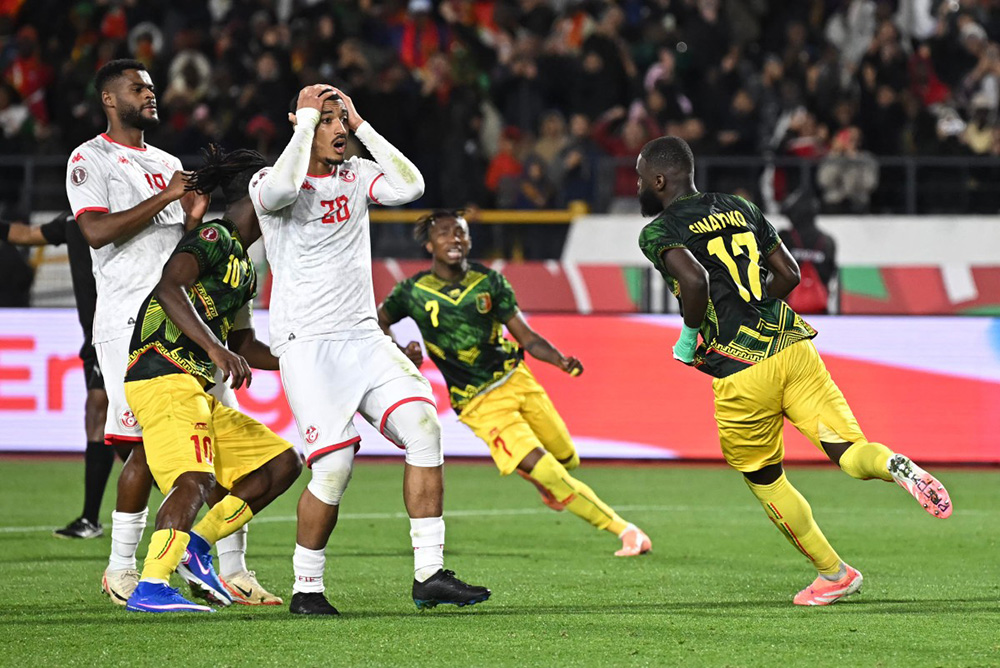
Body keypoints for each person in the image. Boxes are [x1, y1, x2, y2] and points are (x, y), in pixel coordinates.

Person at [635, 136, 952, 606]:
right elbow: (789, 274)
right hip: (793, 346)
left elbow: (695, 280)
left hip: (742, 373)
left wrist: (687, 340)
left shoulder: (658, 232)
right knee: (850, 451)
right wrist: (756, 308)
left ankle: (834, 573)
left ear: (659, 181)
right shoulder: (741, 207)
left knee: (766, 478)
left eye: (642, 178)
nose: (640, 185)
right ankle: (894, 465)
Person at [249, 84, 490, 615]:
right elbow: (281, 192)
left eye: (341, 118)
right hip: (308, 344)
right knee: (333, 468)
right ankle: (306, 588)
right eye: (327, 119)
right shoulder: (269, 179)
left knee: (425, 427)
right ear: (302, 122)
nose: (337, 128)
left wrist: (361, 125)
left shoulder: (356, 175)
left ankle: (429, 573)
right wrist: (306, 124)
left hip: (363, 335)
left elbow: (411, 186)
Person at [65, 59, 276, 607]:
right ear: (110, 99)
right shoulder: (91, 158)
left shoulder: (166, 161)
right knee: (140, 449)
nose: (150, 94)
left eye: (152, 87)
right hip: (128, 318)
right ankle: (121, 570)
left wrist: (191, 215)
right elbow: (94, 231)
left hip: (190, 319)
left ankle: (234, 568)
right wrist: (167, 196)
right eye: (138, 88)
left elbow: (178, 244)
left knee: (213, 446)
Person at [377, 210, 652, 557]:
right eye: (445, 233)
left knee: (567, 458)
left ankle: (544, 480)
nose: (454, 239)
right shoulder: (411, 291)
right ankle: (626, 531)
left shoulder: (489, 283)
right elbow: (376, 321)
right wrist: (400, 352)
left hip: (518, 380)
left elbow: (526, 336)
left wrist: (559, 360)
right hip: (479, 403)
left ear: (469, 240)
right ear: (429, 244)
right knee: (551, 473)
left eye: (460, 232)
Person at [122, 145, 301, 613]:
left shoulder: (245, 270)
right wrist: (213, 347)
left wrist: (303, 357)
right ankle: (151, 585)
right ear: (263, 199)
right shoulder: (215, 237)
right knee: (194, 480)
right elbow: (169, 285)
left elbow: (243, 344)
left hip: (194, 385)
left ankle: (195, 547)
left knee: (281, 464)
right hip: (162, 375)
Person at [0, 211, 121, 539]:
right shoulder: (72, 221)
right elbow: (25, 234)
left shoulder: (123, 214)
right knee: (112, 424)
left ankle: (94, 518)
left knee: (102, 413)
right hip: (95, 335)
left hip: (123, 328)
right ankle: (92, 519)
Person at [778, 188, 838, 315]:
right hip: (820, 309)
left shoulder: (784, 238)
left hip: (787, 312)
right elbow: (831, 274)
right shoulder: (828, 242)